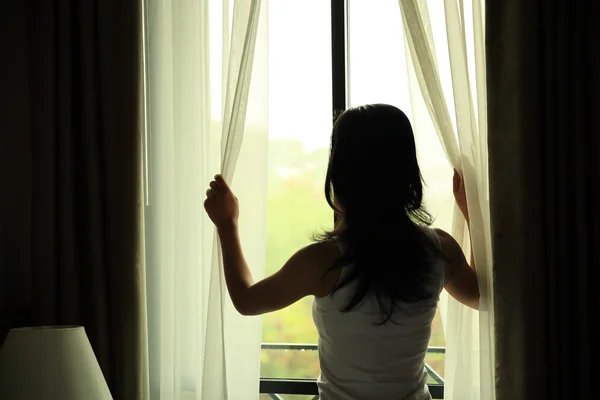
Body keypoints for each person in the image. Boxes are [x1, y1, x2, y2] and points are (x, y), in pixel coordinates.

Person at [204, 104, 479, 400]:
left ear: (340, 176)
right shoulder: (438, 249)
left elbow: (247, 300)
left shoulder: (322, 260)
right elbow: (479, 295)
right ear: (407, 173)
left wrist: (227, 224)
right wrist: (470, 214)